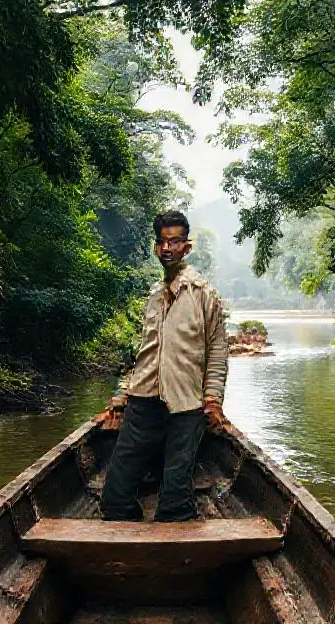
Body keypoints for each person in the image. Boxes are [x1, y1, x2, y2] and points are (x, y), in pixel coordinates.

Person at [93, 210, 230, 522]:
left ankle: (176, 531)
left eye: (175, 241)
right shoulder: (154, 295)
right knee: (114, 499)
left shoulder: (204, 294)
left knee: (175, 502)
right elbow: (146, 352)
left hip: (186, 403)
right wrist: (123, 395)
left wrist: (212, 400)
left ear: (187, 246)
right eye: (162, 242)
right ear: (156, 247)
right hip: (144, 398)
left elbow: (218, 350)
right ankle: (125, 539)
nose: (167, 248)